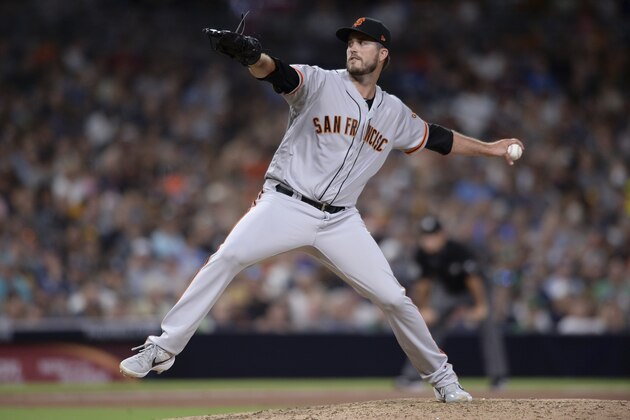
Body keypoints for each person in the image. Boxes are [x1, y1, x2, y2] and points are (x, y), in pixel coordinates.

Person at [119, 16, 524, 403]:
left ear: (383, 54)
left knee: (395, 299)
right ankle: (162, 348)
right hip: (286, 203)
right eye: (350, 42)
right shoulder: (319, 82)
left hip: (341, 220)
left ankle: (443, 380)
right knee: (228, 257)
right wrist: (248, 56)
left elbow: (438, 138)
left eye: (363, 42)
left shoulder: (394, 112)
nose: (353, 48)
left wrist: (491, 148)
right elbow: (278, 73)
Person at [395, 215, 509, 391]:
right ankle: (412, 376)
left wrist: (481, 306)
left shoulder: (457, 250)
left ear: (442, 235)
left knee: (489, 326)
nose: (429, 241)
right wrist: (425, 308)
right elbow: (423, 285)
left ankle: (498, 377)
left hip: (474, 292)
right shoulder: (421, 254)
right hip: (448, 292)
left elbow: (474, 280)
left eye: (433, 235)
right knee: (427, 327)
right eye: (425, 236)